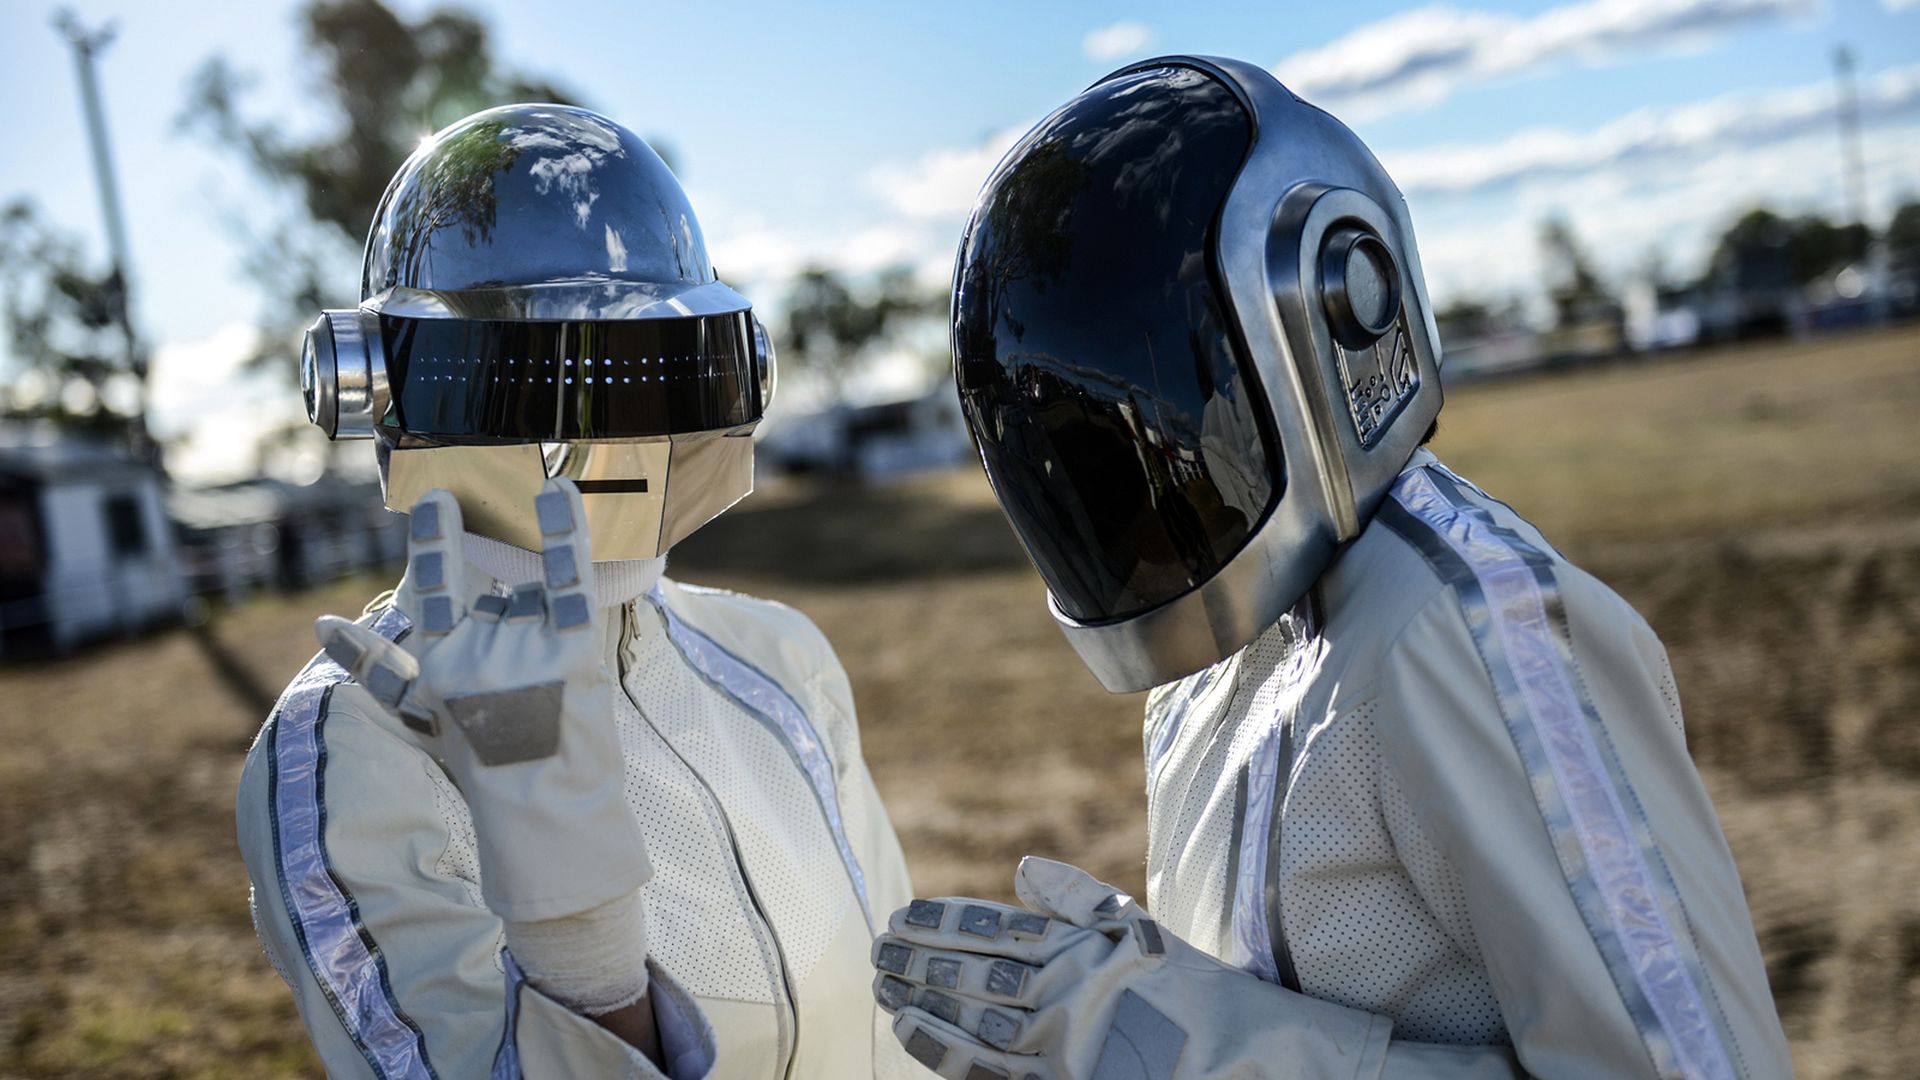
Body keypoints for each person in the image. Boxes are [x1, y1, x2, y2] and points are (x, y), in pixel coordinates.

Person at [869, 56, 1792, 1079]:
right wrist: (1147, 991)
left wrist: (1183, 1050)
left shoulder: (1467, 628)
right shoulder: (1218, 661)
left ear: (1330, 296)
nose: (1131, 480)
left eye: (1156, 402)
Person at [237, 103, 915, 1079]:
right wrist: (583, 956)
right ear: (377, 384)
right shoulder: (348, 744)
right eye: (536, 381)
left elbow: (899, 1016)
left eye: (641, 373)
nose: (590, 435)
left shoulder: (782, 657)